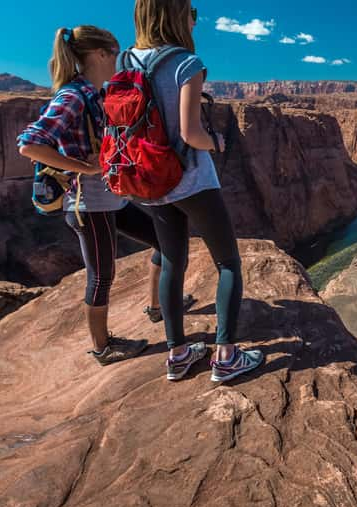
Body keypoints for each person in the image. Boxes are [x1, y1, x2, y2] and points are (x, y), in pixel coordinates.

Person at [17, 25, 193, 365]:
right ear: (100, 54)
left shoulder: (99, 92)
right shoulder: (72, 95)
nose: (120, 59)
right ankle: (102, 348)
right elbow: (30, 144)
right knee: (101, 276)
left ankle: (156, 307)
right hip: (88, 203)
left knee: (164, 239)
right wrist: (82, 167)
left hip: (113, 196)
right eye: (115, 53)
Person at [129, 0, 264, 382]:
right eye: (192, 12)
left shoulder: (123, 63)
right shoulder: (186, 63)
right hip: (190, 181)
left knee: (172, 261)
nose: (195, 18)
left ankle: (178, 355)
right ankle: (226, 356)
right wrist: (218, 142)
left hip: (149, 181)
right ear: (177, 16)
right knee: (228, 264)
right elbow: (191, 134)